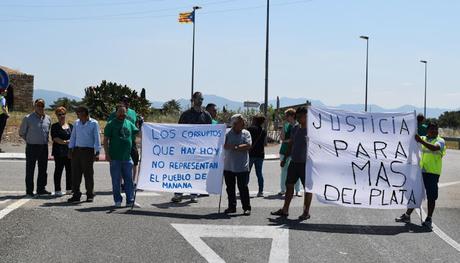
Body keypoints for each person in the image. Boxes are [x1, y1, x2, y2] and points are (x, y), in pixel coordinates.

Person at [395, 122, 446, 230]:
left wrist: (420, 140)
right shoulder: (422, 137)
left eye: (435, 129)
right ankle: (407, 216)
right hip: (420, 172)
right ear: (427, 130)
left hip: (432, 173)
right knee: (415, 193)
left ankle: (429, 219)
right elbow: (409, 139)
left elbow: (435, 148)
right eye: (431, 129)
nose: (434, 131)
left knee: (431, 197)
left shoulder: (440, 141)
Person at [271, 106, 312, 220]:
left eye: (300, 116)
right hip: (294, 162)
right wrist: (285, 159)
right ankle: (285, 210)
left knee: (307, 189)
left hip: (306, 165)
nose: (298, 118)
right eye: (297, 116)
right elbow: (291, 144)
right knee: (289, 186)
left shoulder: (312, 131)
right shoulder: (295, 128)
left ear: (307, 116)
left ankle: (306, 211)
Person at [171, 91, 212, 203]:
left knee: (195, 172)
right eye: (198, 98)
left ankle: (194, 194)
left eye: (202, 99)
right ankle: (178, 194)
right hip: (185, 149)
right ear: (193, 99)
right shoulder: (186, 114)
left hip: (199, 150)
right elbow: (179, 131)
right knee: (182, 172)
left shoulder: (206, 115)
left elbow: (210, 132)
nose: (200, 101)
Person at [104, 105, 140, 208]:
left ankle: (130, 200)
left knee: (129, 181)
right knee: (116, 181)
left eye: (123, 113)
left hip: (127, 158)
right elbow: (105, 140)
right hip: (115, 158)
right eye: (120, 113)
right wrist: (107, 154)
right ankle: (117, 200)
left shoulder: (129, 123)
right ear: (116, 113)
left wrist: (145, 127)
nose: (122, 115)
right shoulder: (110, 124)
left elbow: (138, 133)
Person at [67, 106, 101, 203]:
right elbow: (73, 136)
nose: (77, 114)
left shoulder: (94, 123)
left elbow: (96, 138)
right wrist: (70, 149)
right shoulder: (77, 123)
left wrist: (97, 152)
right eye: (77, 112)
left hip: (88, 151)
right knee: (75, 174)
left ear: (85, 113)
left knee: (88, 174)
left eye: (79, 112)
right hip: (77, 151)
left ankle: (90, 194)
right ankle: (76, 194)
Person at [19, 98, 52, 197]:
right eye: (38, 105)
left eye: (42, 106)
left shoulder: (48, 118)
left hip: (44, 147)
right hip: (31, 147)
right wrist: (29, 140)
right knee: (30, 169)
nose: (40, 107)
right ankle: (29, 191)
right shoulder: (28, 118)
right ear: (35, 106)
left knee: (43, 169)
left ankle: (41, 189)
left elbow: (48, 132)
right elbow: (22, 133)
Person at [108, 95, 139, 190]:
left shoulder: (133, 112)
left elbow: (136, 125)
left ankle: (132, 182)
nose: (126, 102)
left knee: (135, 161)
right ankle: (121, 183)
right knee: (120, 163)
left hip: (131, 141)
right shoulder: (114, 113)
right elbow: (109, 127)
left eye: (128, 100)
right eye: (124, 100)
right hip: (119, 142)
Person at [223, 114, 252, 215]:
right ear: (234, 123)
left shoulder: (246, 133)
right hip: (228, 166)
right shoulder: (226, 133)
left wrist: (234, 147)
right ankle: (232, 207)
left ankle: (246, 207)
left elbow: (248, 145)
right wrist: (238, 147)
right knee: (230, 188)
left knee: (243, 187)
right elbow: (224, 145)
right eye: (241, 122)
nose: (243, 123)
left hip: (242, 166)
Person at [278, 108, 301, 196]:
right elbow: (282, 138)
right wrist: (284, 126)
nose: (286, 117)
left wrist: (289, 140)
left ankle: (298, 190)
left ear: (292, 116)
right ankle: (283, 189)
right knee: (284, 170)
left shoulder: (298, 125)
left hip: (295, 152)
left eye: (287, 116)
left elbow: (296, 139)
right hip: (284, 151)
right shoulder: (286, 125)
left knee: (296, 171)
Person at [51, 106, 73, 196]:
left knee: (70, 171)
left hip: (69, 152)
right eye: (59, 114)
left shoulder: (71, 126)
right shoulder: (54, 126)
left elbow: (74, 137)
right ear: (56, 115)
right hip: (58, 152)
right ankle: (57, 189)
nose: (62, 116)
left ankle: (69, 188)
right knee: (58, 170)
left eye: (63, 114)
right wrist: (66, 142)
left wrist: (70, 143)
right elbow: (55, 138)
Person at [247, 115, 267, 197]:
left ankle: (244, 188)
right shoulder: (263, 131)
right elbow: (265, 143)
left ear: (255, 121)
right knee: (259, 173)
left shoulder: (250, 129)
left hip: (251, 153)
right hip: (260, 154)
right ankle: (260, 191)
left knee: (247, 172)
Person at [0, 89, 9, 153]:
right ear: (2, 92)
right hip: (2, 117)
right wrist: (7, 114)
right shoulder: (3, 98)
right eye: (5, 90)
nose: (6, 91)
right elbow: (3, 108)